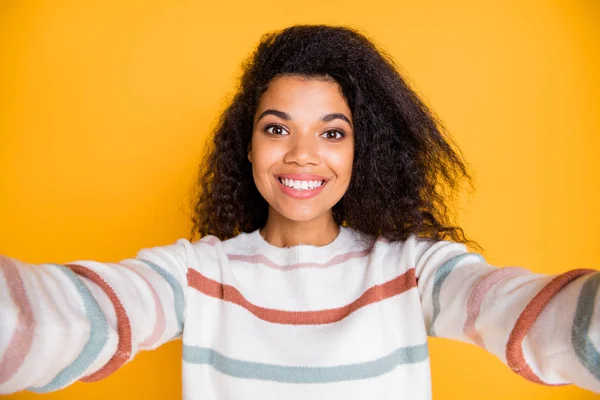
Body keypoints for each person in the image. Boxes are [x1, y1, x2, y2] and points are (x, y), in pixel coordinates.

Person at [0, 25, 598, 399]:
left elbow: (529, 317)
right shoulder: (198, 274)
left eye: (332, 133)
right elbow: (72, 319)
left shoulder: (411, 270)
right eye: (278, 127)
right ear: (249, 144)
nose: (304, 154)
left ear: (367, 149)